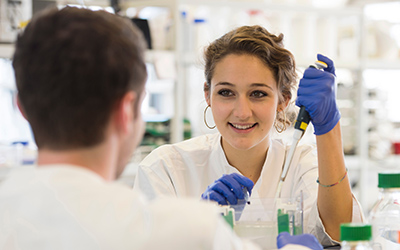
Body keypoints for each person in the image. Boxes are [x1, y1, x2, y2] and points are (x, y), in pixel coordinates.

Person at [0, 7, 322, 250]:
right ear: (127, 110)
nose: (242, 109)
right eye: (226, 92)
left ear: (22, 109)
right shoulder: (184, 231)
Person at [134, 25, 365, 246]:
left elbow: (342, 234)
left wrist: (328, 127)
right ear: (208, 95)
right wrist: (196, 227)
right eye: (226, 92)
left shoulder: (301, 164)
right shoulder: (166, 169)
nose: (242, 112)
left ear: (283, 100)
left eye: (258, 93)